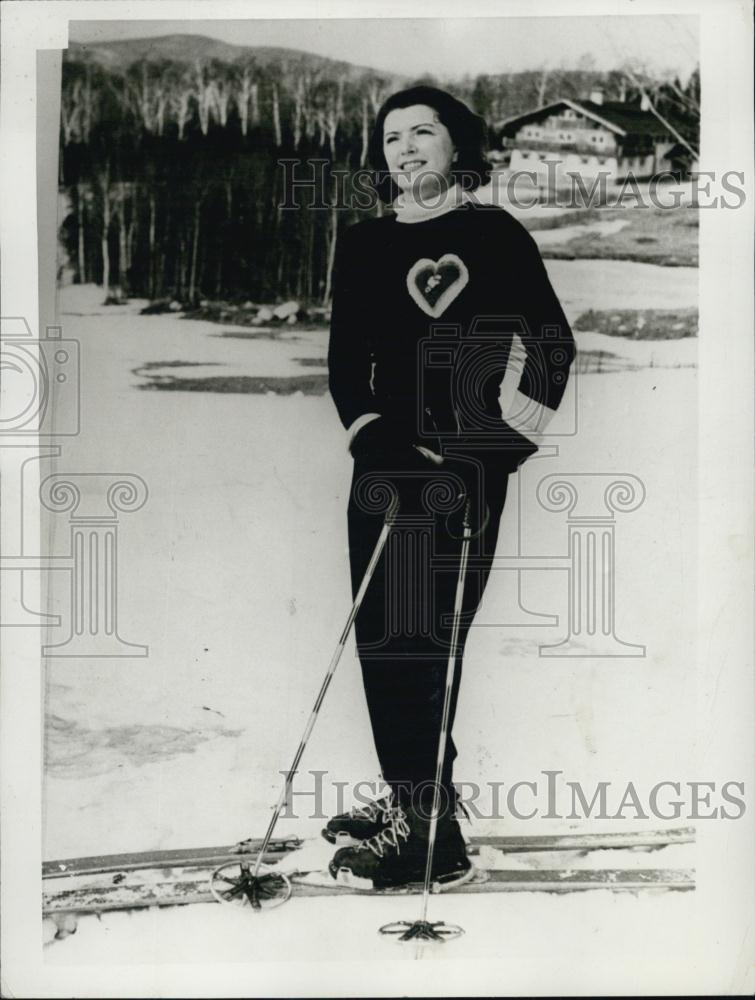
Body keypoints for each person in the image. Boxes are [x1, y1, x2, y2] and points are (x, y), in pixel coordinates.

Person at [325, 86, 575, 889]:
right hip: (382, 471)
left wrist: (495, 451)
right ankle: (415, 798)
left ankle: (427, 837)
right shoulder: (362, 244)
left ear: (455, 146)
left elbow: (550, 346)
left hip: (461, 474)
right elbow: (343, 366)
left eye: (422, 132)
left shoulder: (494, 235)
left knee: (423, 643)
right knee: (382, 641)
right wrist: (376, 439)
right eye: (391, 136)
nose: (404, 148)